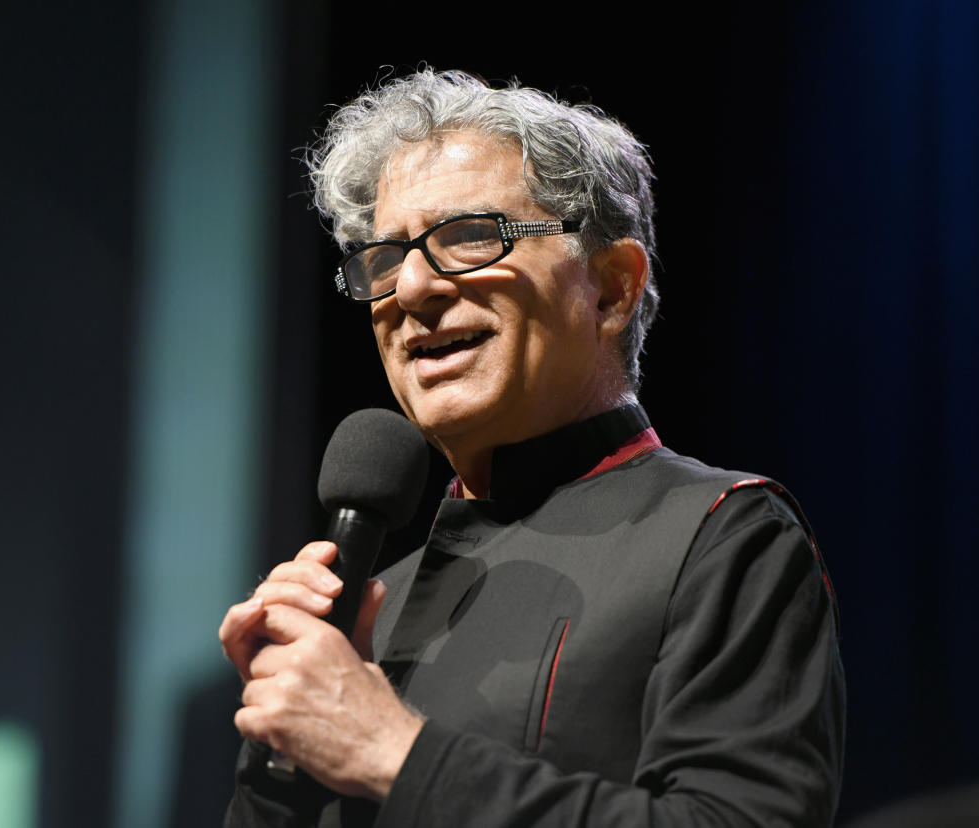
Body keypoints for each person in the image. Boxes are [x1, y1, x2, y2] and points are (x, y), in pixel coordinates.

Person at [219, 68, 845, 826]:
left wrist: (397, 755)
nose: (411, 289)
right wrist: (276, 770)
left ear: (611, 290)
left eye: (470, 237)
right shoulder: (369, 614)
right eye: (385, 259)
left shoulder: (723, 535)